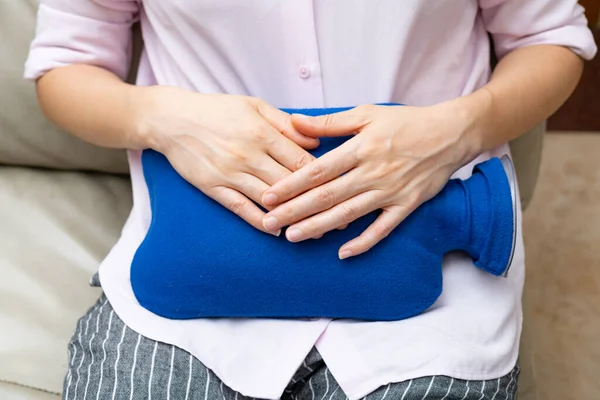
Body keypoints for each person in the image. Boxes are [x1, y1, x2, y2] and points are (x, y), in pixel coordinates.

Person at [25, 1, 596, 399]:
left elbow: (549, 38)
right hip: (187, 302)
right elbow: (66, 62)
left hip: (436, 301)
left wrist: (456, 131)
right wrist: (165, 119)